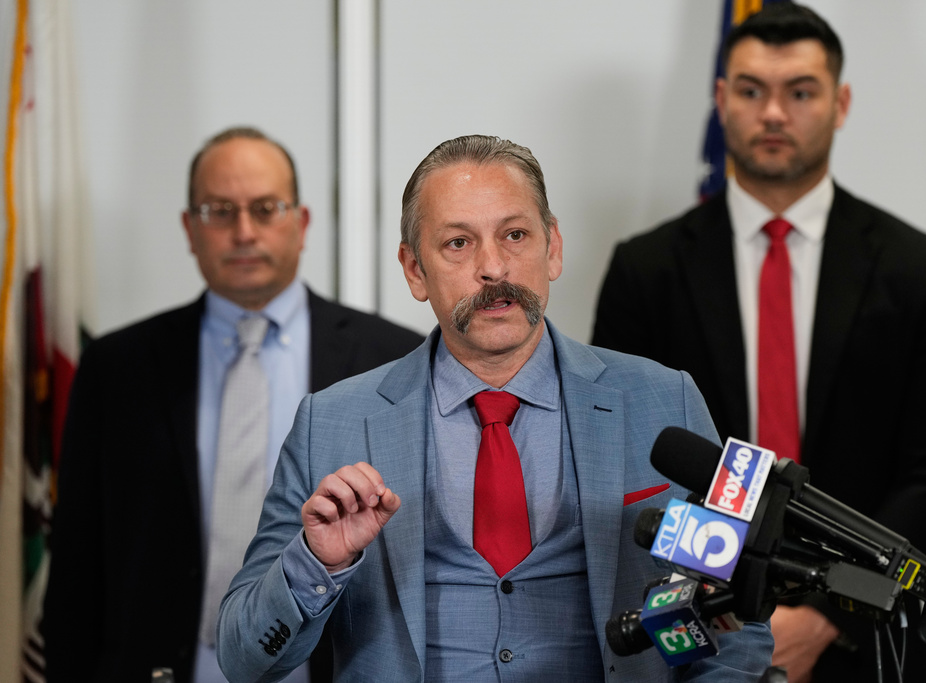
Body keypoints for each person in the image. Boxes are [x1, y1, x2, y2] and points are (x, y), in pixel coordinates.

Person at [215, 135, 774, 682]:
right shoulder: (329, 423)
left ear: (552, 248)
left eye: (514, 235)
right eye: (458, 243)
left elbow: (733, 621)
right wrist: (319, 562)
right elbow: (243, 658)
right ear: (415, 270)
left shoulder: (665, 398)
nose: (494, 268)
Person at [591, 4, 926, 683]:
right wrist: (730, 607)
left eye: (799, 91)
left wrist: (827, 613)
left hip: (873, 640)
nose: (773, 112)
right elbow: (620, 464)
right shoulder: (645, 270)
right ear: (720, 99)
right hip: (700, 635)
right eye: (750, 90)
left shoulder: (914, 269)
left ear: (840, 102)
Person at [42, 126, 424, 683]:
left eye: (266, 208)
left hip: (333, 668)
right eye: (219, 210)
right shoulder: (115, 367)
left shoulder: (392, 358)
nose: (244, 232)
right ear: (189, 228)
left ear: (302, 222)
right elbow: (78, 564)